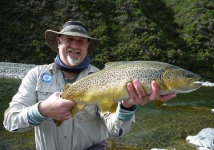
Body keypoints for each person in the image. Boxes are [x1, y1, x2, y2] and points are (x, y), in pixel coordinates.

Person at [3, 21, 176, 150]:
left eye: (81, 41)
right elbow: (11, 123)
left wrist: (127, 106)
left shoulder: (105, 78)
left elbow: (116, 130)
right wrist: (42, 110)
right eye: (69, 39)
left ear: (87, 46)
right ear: (58, 42)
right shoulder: (36, 76)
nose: (75, 45)